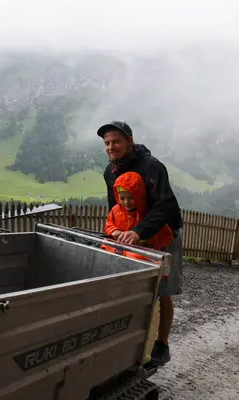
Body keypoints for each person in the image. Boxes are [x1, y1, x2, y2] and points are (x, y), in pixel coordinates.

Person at [97, 120, 183, 367]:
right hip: (132, 236)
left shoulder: (152, 167)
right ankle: (134, 340)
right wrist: (113, 231)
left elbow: (166, 206)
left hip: (162, 233)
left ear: (130, 142)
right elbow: (115, 207)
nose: (111, 147)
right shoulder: (110, 171)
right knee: (137, 287)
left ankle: (162, 344)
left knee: (163, 290)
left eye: (116, 142)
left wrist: (139, 231)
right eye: (107, 143)